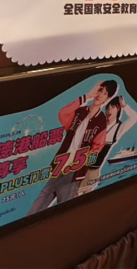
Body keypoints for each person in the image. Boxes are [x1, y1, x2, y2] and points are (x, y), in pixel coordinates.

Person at [27, 79, 117, 214]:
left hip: (74, 168)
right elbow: (62, 113)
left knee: (65, 203)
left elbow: (98, 146)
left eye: (105, 93)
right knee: (44, 196)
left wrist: (80, 162)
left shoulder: (101, 121)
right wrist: (87, 96)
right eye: (100, 90)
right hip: (61, 162)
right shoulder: (80, 112)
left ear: (107, 99)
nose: (100, 95)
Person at [78, 95, 137, 196]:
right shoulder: (98, 123)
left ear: (118, 109)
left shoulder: (118, 128)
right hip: (80, 166)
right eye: (107, 108)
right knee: (73, 195)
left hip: (93, 170)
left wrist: (124, 106)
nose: (109, 110)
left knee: (84, 195)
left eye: (113, 107)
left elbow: (134, 118)